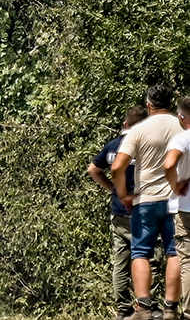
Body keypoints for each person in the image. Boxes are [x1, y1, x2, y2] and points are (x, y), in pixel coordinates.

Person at [114, 85, 184, 320]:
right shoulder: (182, 125)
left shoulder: (139, 129)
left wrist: (124, 195)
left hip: (146, 200)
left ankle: (143, 308)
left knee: (141, 253)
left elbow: (117, 167)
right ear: (172, 104)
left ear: (148, 105)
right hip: (176, 201)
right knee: (175, 252)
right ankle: (170, 309)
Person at [90, 104, 150, 320]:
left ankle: (122, 309)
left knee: (121, 260)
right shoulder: (146, 147)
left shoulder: (113, 146)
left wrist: (112, 189)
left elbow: (93, 170)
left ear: (125, 124)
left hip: (118, 211)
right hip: (142, 210)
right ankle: (145, 306)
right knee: (145, 256)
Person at [165, 98, 190, 315]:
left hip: (187, 206)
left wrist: (175, 185)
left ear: (182, 117)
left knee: (188, 260)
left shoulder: (182, 139)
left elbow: (169, 163)